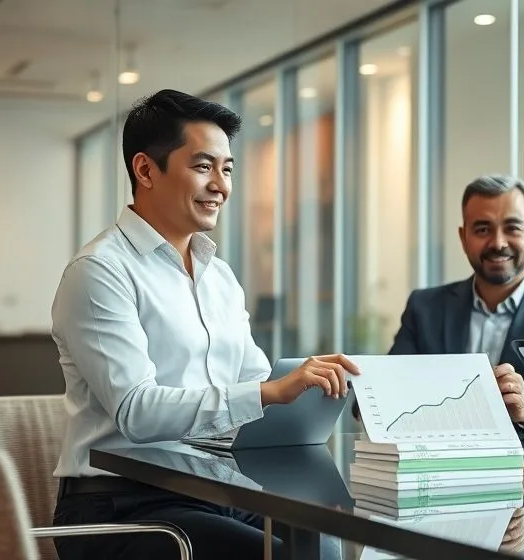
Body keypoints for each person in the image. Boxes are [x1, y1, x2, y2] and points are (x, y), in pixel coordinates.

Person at [49, 89, 359, 560]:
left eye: (228, 168)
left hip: (219, 489)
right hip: (121, 504)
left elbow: (255, 380)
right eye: (203, 166)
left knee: (323, 546)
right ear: (146, 170)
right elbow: (136, 411)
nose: (222, 185)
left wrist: (308, 388)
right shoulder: (99, 272)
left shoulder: (219, 275)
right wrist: (268, 393)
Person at [388, 174, 524, 437]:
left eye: (512, 228)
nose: (498, 243)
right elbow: (384, 393)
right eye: (483, 229)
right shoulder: (424, 308)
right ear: (464, 238)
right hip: (440, 470)